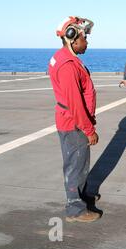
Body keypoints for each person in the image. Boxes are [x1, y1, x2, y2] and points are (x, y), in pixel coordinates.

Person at [48, 16, 101, 223]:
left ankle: (81, 195)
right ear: (72, 38)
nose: (87, 42)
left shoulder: (62, 57)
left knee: (79, 162)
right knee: (75, 165)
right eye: (84, 37)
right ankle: (75, 208)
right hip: (74, 123)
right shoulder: (68, 65)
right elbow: (75, 104)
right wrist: (89, 130)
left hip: (71, 121)